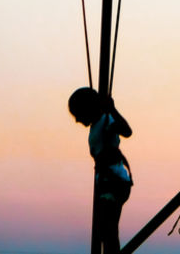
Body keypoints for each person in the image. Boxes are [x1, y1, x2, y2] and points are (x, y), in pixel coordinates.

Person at [69, 87, 132, 254]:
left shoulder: (107, 121)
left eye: (77, 114)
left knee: (108, 229)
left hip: (114, 183)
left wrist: (112, 109)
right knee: (104, 231)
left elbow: (127, 131)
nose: (76, 120)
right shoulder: (97, 124)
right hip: (106, 183)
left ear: (86, 109)